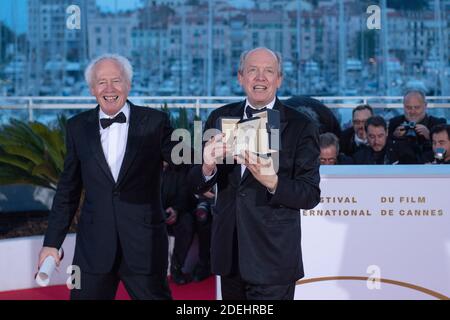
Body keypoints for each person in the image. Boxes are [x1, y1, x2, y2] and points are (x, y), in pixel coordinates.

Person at [38, 54, 186, 300]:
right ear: (91, 89)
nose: (109, 89)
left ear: (128, 84)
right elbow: (68, 190)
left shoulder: (155, 122)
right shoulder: (77, 127)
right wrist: (52, 242)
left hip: (144, 245)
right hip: (92, 249)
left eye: (116, 81)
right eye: (101, 82)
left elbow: (180, 157)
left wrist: (206, 158)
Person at [188, 47, 321, 300]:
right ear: (241, 77)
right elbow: (195, 184)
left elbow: (310, 194)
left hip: (274, 258)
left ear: (279, 79)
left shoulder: (302, 126)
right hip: (230, 255)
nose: (260, 78)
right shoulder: (219, 117)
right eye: (252, 71)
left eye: (268, 71)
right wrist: (206, 167)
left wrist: (272, 181)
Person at [388, 90, 446, 164]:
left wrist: (431, 139)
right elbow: (386, 154)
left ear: (425, 106)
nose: (412, 111)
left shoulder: (438, 124)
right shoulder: (395, 123)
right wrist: (394, 138)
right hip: (401, 170)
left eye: (417, 107)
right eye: (408, 107)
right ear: (403, 106)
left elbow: (442, 158)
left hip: (430, 170)